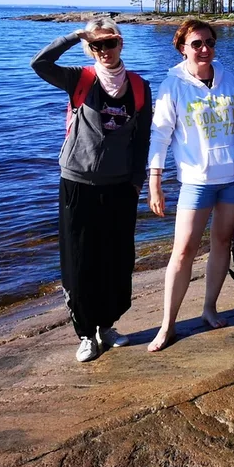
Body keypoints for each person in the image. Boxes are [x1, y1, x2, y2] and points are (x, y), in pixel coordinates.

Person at [31, 19, 152, 362]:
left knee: (116, 260)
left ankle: (107, 325)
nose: (104, 51)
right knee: (80, 262)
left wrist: (137, 181)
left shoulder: (140, 86)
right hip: (78, 183)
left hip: (119, 187)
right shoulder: (78, 79)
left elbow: (142, 138)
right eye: (96, 45)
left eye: (110, 42)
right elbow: (38, 63)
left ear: (121, 43)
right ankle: (86, 333)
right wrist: (74, 35)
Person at [147, 19, 234, 351]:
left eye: (209, 42)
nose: (205, 49)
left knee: (222, 242)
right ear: (182, 48)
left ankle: (209, 308)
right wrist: (155, 182)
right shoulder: (172, 85)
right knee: (182, 252)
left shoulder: (226, 76)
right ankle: (168, 325)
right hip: (197, 181)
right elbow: (160, 136)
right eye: (197, 44)